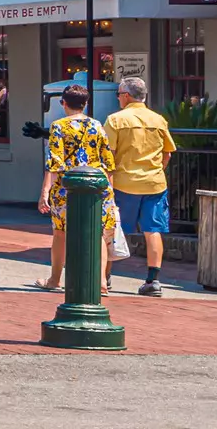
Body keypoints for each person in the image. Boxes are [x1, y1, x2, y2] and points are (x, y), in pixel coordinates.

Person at [38, 83, 115, 292]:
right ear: (86, 103)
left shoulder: (58, 126)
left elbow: (55, 162)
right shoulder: (97, 125)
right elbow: (108, 161)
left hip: (67, 187)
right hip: (97, 186)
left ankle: (55, 279)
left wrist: (45, 191)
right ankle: (100, 282)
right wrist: (110, 192)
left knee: (60, 233)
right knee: (97, 233)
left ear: (63, 103)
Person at [105, 76, 176, 296]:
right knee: (153, 230)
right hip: (154, 183)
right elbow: (167, 153)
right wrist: (157, 171)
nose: (118, 98)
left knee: (111, 230)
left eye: (118, 94)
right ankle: (153, 281)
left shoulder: (116, 120)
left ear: (126, 96)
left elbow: (108, 155)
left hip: (123, 183)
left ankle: (104, 277)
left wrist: (108, 182)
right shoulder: (158, 119)